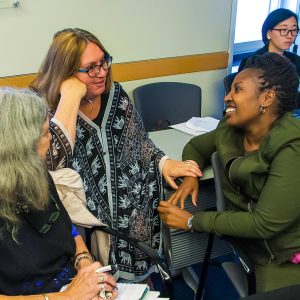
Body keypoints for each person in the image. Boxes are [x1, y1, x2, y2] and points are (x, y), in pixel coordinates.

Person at [30, 28, 201, 281]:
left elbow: (140, 143)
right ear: (65, 73)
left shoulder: (116, 95)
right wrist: (70, 97)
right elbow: (50, 163)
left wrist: (164, 163)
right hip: (79, 231)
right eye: (90, 68)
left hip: (130, 219)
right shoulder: (40, 107)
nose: (101, 72)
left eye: (104, 62)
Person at [158, 52, 300, 292]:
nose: (227, 97)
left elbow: (263, 223)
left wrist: (193, 220)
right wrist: (190, 174)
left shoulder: (292, 148)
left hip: (284, 254)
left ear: (266, 98)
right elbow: (196, 146)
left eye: (238, 90)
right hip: (253, 243)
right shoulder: (230, 128)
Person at [0, 87, 117, 299]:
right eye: (46, 133)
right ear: (20, 146)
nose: (51, 139)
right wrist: (67, 297)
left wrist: (85, 263)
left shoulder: (35, 174)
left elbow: (67, 227)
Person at [238, 8, 300, 76]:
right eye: (284, 30)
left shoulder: (296, 60)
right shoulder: (251, 62)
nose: (290, 36)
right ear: (268, 33)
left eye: (294, 30)